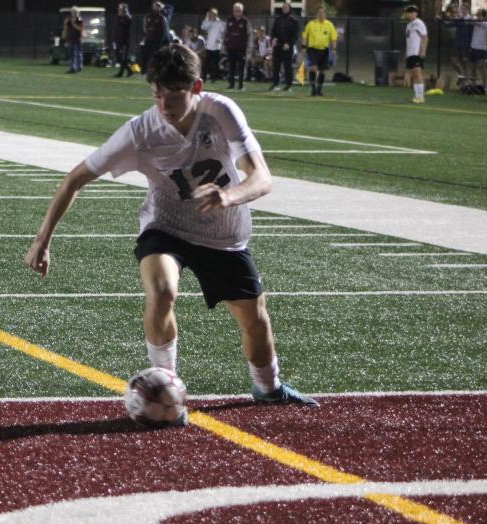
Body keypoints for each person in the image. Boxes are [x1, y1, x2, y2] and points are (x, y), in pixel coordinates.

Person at [24, 43, 319, 422]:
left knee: (255, 319)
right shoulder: (140, 132)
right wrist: (42, 239)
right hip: (166, 227)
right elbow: (75, 179)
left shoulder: (221, 112)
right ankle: (166, 388)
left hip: (225, 234)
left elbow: (261, 178)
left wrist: (228, 195)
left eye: (174, 94)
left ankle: (269, 389)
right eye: (157, 94)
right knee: (162, 290)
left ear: (196, 88)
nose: (164, 104)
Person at [300, 5, 338, 97]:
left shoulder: (329, 25)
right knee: (313, 68)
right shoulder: (311, 24)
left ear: (325, 14)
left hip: (324, 50)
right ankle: (313, 89)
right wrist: (304, 47)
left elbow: (334, 38)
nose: (321, 14)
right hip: (313, 50)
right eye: (319, 12)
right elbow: (305, 36)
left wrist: (333, 50)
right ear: (316, 14)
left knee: (322, 71)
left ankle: (319, 90)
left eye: (323, 12)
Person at [269, 1, 300, 92]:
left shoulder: (293, 21)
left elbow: (295, 35)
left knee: (287, 67)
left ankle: (288, 85)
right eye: (283, 7)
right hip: (278, 46)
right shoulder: (278, 19)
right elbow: (273, 31)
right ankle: (275, 84)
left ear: (289, 9)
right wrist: (273, 39)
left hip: (287, 47)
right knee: (276, 66)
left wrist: (289, 44)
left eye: (286, 7)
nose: (284, 9)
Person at [404, 5, 429, 104]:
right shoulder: (409, 25)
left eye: (411, 12)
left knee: (417, 73)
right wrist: (406, 53)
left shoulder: (419, 23)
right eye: (408, 12)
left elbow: (425, 37)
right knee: (414, 74)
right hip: (410, 53)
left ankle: (421, 96)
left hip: (416, 52)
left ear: (416, 13)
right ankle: (416, 96)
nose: (409, 14)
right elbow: (408, 40)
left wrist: (423, 50)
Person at [224, 3, 251, 90]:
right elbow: (225, 33)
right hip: (230, 47)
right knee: (231, 67)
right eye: (235, 10)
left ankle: (241, 84)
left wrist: (248, 48)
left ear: (242, 11)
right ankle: (231, 84)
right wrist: (224, 45)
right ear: (233, 11)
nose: (237, 12)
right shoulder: (229, 20)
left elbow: (249, 35)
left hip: (241, 48)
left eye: (239, 11)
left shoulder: (245, 21)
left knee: (241, 67)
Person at [139, 2, 170, 74]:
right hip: (148, 40)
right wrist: (144, 38)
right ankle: (143, 72)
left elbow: (166, 30)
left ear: (161, 8)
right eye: (155, 6)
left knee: (155, 56)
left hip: (157, 41)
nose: (157, 7)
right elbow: (144, 28)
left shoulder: (162, 18)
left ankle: (155, 71)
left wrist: (164, 40)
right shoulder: (147, 17)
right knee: (145, 55)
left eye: (158, 6)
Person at [200, 7, 225, 83]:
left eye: (213, 14)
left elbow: (223, 32)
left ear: (216, 15)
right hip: (208, 47)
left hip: (216, 47)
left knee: (215, 64)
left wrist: (220, 39)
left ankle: (214, 78)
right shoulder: (208, 22)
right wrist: (207, 18)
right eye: (210, 14)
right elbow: (203, 27)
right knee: (206, 63)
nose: (212, 16)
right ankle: (204, 78)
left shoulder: (220, 23)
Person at [468, 9, 487, 94]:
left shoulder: (485, 24)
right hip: (473, 48)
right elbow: (470, 20)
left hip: (481, 49)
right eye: (477, 15)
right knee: (473, 68)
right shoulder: (476, 22)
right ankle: (473, 86)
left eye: (479, 15)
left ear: (484, 16)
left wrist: (473, 16)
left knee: (481, 68)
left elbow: (473, 20)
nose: (478, 16)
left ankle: (485, 87)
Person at [112, 3, 134, 78]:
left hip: (124, 41)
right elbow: (117, 30)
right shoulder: (119, 18)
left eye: (120, 9)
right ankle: (129, 71)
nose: (119, 10)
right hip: (118, 40)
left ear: (124, 10)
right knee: (119, 57)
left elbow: (124, 29)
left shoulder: (127, 18)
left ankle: (123, 72)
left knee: (123, 57)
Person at [64, 6, 85, 74]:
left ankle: (79, 67)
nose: (73, 13)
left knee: (78, 54)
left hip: (77, 39)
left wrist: (74, 23)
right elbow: (66, 29)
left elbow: (81, 29)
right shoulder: (69, 20)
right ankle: (73, 68)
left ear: (78, 12)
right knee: (71, 55)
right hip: (70, 39)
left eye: (75, 12)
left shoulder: (79, 19)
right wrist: (65, 23)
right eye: (72, 12)